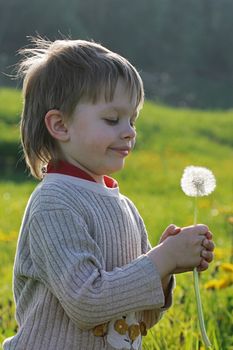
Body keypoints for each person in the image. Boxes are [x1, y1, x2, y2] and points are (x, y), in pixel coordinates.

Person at [3, 37, 215, 350]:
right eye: (113, 119)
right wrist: (161, 259)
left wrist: (166, 269)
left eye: (132, 120)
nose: (129, 131)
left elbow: (137, 319)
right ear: (60, 125)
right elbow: (87, 303)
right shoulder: (55, 203)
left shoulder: (125, 208)